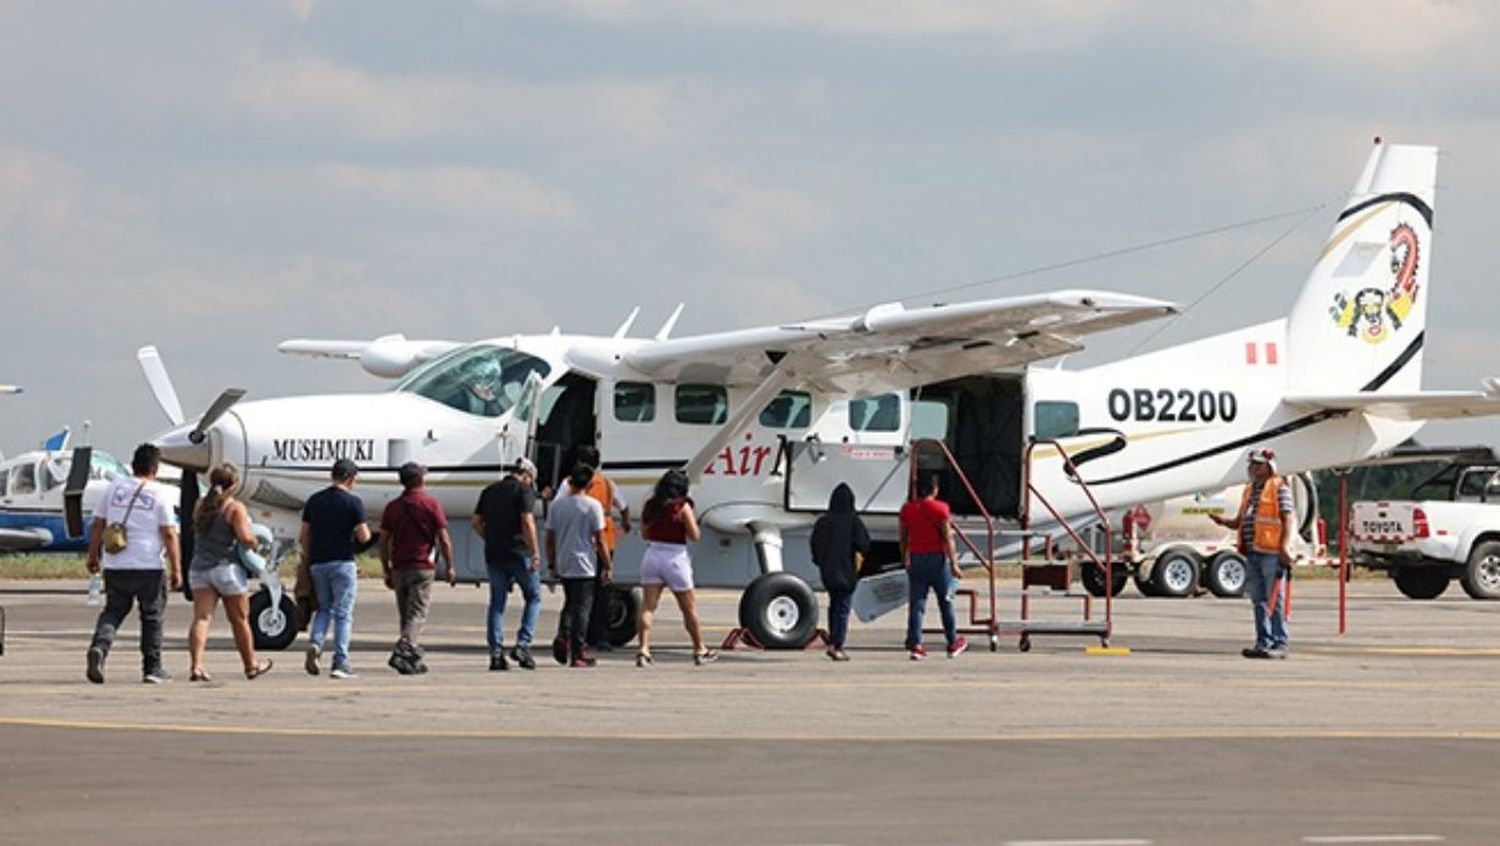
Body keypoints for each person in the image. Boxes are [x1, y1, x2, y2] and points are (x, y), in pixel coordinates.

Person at [84, 443, 182, 684]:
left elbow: (98, 524)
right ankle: (152, 667)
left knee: (114, 610)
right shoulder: (159, 493)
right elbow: (169, 533)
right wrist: (177, 568)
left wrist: (93, 555)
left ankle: (100, 647)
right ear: (155, 469)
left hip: (116, 562)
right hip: (148, 564)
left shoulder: (113, 488)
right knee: (151, 616)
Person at [185, 464, 273, 681]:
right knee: (240, 620)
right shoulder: (234, 508)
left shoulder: (199, 505)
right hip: (227, 569)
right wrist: (256, 542)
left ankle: (196, 666)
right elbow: (245, 538)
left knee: (202, 618)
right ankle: (251, 664)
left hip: (199, 569)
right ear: (233, 486)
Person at [1210, 448, 1296, 659]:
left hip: (1271, 553)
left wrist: (1284, 548)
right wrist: (1224, 522)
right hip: (1253, 552)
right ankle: (1263, 641)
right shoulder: (1249, 491)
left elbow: (1288, 520)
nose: (1254, 468)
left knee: (1275, 599)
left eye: (1258, 464)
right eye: (1252, 464)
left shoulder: (1279, 488)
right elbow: (1241, 521)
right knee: (1258, 600)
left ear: (1270, 466)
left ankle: (1279, 642)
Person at [379, 461, 455, 675]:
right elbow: (444, 538)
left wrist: (386, 568)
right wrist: (449, 566)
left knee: (406, 615)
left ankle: (409, 659)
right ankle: (403, 649)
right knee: (417, 614)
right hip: (422, 566)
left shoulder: (392, 507)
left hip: (399, 566)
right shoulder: (431, 504)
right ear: (420, 479)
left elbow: (384, 541)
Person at [635, 468, 716, 667]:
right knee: (689, 609)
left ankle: (643, 649)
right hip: (675, 557)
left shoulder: (651, 506)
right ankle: (699, 648)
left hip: (652, 554)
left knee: (648, 607)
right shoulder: (682, 507)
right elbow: (695, 535)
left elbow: (644, 533)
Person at [300, 458, 372, 679]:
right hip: (342, 562)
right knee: (343, 613)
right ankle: (340, 662)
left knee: (324, 608)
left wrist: (307, 557)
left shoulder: (314, 501)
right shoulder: (353, 503)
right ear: (351, 478)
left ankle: (316, 643)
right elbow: (364, 535)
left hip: (318, 563)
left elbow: (304, 535)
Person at [473, 457, 542, 671]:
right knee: (533, 597)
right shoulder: (524, 491)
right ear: (527, 475)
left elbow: (476, 522)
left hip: (494, 554)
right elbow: (527, 521)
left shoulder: (489, 491)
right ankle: (523, 644)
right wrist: (535, 551)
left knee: (497, 604)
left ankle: (495, 654)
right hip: (519, 553)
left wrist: (490, 538)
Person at [545, 463, 613, 668]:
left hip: (564, 560)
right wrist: (608, 565)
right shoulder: (593, 506)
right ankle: (578, 651)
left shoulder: (557, 506)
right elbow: (600, 539)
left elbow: (550, 537)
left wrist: (552, 562)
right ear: (590, 483)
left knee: (570, 602)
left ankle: (563, 635)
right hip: (584, 562)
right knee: (583, 607)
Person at [899, 474, 967, 660]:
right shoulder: (941, 509)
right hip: (937, 560)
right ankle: (952, 641)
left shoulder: (907, 510)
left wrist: (905, 558)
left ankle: (916, 645)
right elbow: (948, 538)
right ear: (935, 489)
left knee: (917, 605)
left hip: (916, 559)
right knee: (946, 602)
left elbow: (903, 538)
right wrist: (954, 563)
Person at [576, 445, 630, 652]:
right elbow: (624, 508)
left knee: (580, 593)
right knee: (602, 592)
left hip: (580, 543)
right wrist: (625, 526)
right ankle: (599, 637)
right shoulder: (608, 484)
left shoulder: (572, 484)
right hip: (605, 542)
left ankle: (577, 636)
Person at [810, 483, 870, 661]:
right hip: (847, 571)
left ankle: (833, 641)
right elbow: (864, 544)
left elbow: (814, 544)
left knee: (833, 605)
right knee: (843, 608)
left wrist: (820, 561)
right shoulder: (853, 521)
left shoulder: (823, 521)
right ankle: (837, 645)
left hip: (827, 571)